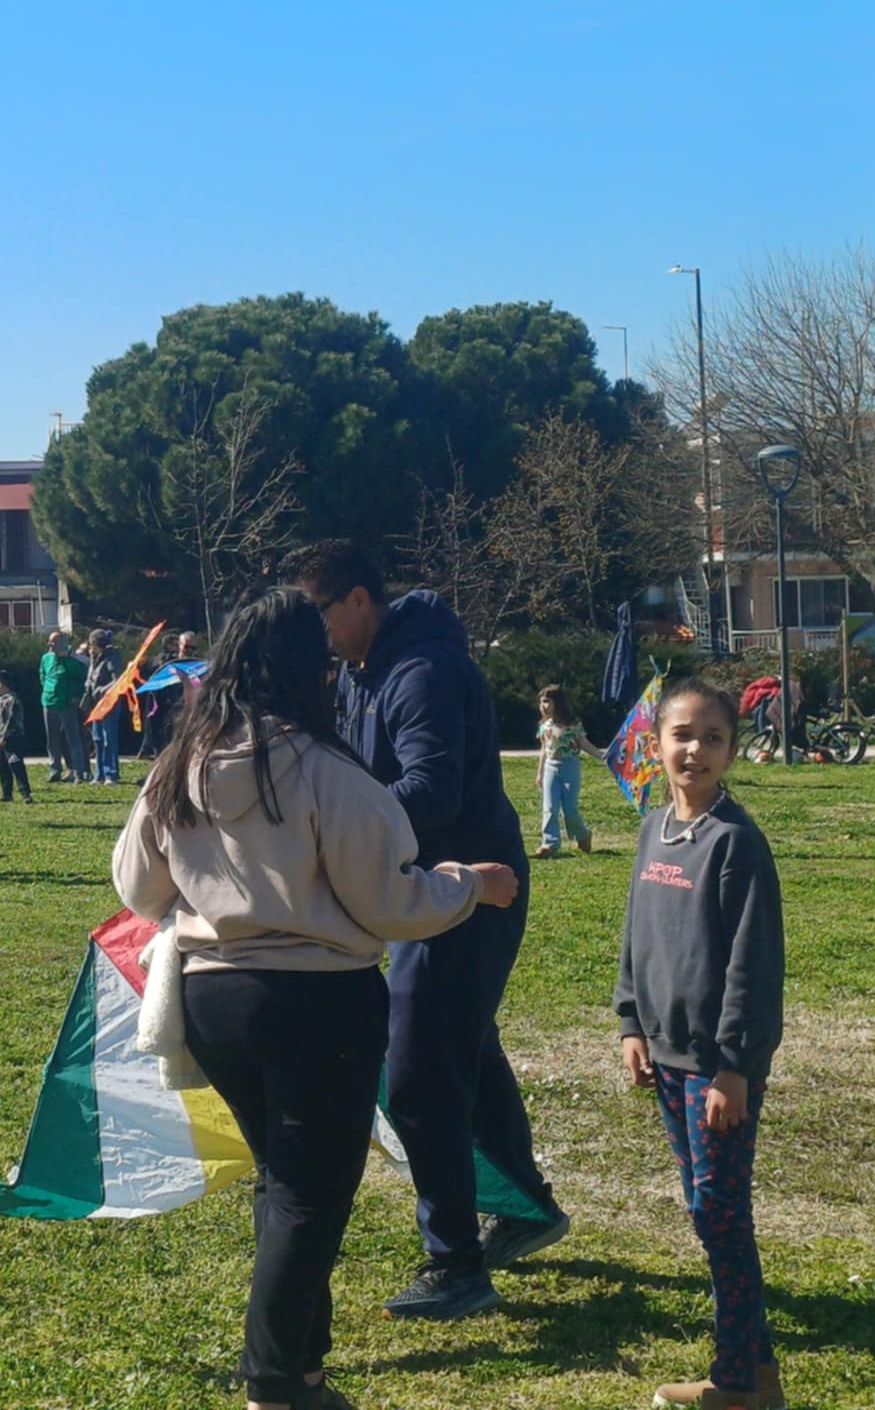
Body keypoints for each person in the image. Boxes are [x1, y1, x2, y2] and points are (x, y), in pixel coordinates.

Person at [114, 588, 520, 1410]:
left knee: (281, 1181)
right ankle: (272, 1381)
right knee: (310, 1194)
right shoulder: (326, 771)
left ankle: (303, 1364)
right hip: (318, 1005)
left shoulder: (180, 764)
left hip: (211, 998)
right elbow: (389, 902)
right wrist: (466, 885)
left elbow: (134, 881)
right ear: (313, 669)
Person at [285, 539, 568, 1320]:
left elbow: (431, 793)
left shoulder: (424, 672)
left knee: (417, 1079)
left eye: (320, 614)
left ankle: (457, 1265)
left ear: (358, 601)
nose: (318, 635)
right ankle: (526, 1205)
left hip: (473, 893)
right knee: (463, 1045)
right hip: (422, 891)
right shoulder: (359, 672)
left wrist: (338, 834)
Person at [616, 679, 786, 1410]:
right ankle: (763, 1374)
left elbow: (753, 964)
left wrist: (735, 1067)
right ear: (655, 745)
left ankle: (735, 1383)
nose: (696, 749)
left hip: (717, 1072)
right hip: (666, 1061)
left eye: (712, 738)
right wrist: (630, 1022)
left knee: (720, 1214)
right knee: (703, 1210)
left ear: (731, 750)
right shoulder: (655, 831)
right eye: (682, 734)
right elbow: (637, 938)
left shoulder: (736, 843)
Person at [535, 684, 598, 858]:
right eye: (541, 703)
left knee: (569, 808)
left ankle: (583, 835)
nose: (543, 706)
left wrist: (601, 755)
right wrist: (540, 773)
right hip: (550, 768)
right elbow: (543, 749)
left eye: (547, 702)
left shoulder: (572, 724)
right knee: (549, 807)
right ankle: (550, 843)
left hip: (570, 766)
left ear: (558, 703)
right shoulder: (544, 725)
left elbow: (584, 744)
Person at [39, 630, 91, 784]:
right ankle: (54, 769)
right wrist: (47, 689)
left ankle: (79, 771)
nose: (50, 645)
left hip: (67, 704)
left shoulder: (73, 662)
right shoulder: (46, 658)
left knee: (73, 738)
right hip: (49, 702)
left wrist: (75, 695)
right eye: (50, 642)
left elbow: (83, 679)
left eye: (54, 642)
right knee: (52, 738)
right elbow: (42, 675)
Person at [83, 627, 125, 785]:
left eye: (91, 643)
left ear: (95, 643)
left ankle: (111, 774)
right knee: (98, 738)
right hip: (96, 704)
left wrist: (101, 689)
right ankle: (99, 774)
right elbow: (92, 676)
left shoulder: (112, 658)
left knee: (109, 738)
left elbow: (118, 680)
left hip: (109, 703)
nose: (89, 647)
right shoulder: (95, 658)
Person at [0, 669, 33, 805]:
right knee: (2, 765)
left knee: (15, 764)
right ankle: (6, 792)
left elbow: (12, 719)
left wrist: (6, 736)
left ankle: (25, 793)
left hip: (13, 738)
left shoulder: (12, 700)